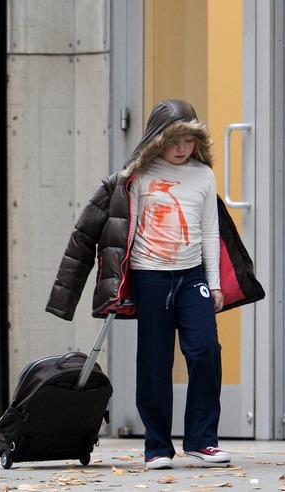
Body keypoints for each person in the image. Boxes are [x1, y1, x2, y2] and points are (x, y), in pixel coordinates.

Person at [46, 100, 232, 470]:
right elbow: (94, 233)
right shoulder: (134, 177)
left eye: (189, 141)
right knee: (154, 363)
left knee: (205, 351)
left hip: (192, 276)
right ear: (156, 140)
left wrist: (215, 284)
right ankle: (158, 446)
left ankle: (202, 440)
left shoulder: (204, 176)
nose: (182, 148)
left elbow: (211, 230)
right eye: (174, 140)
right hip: (151, 278)